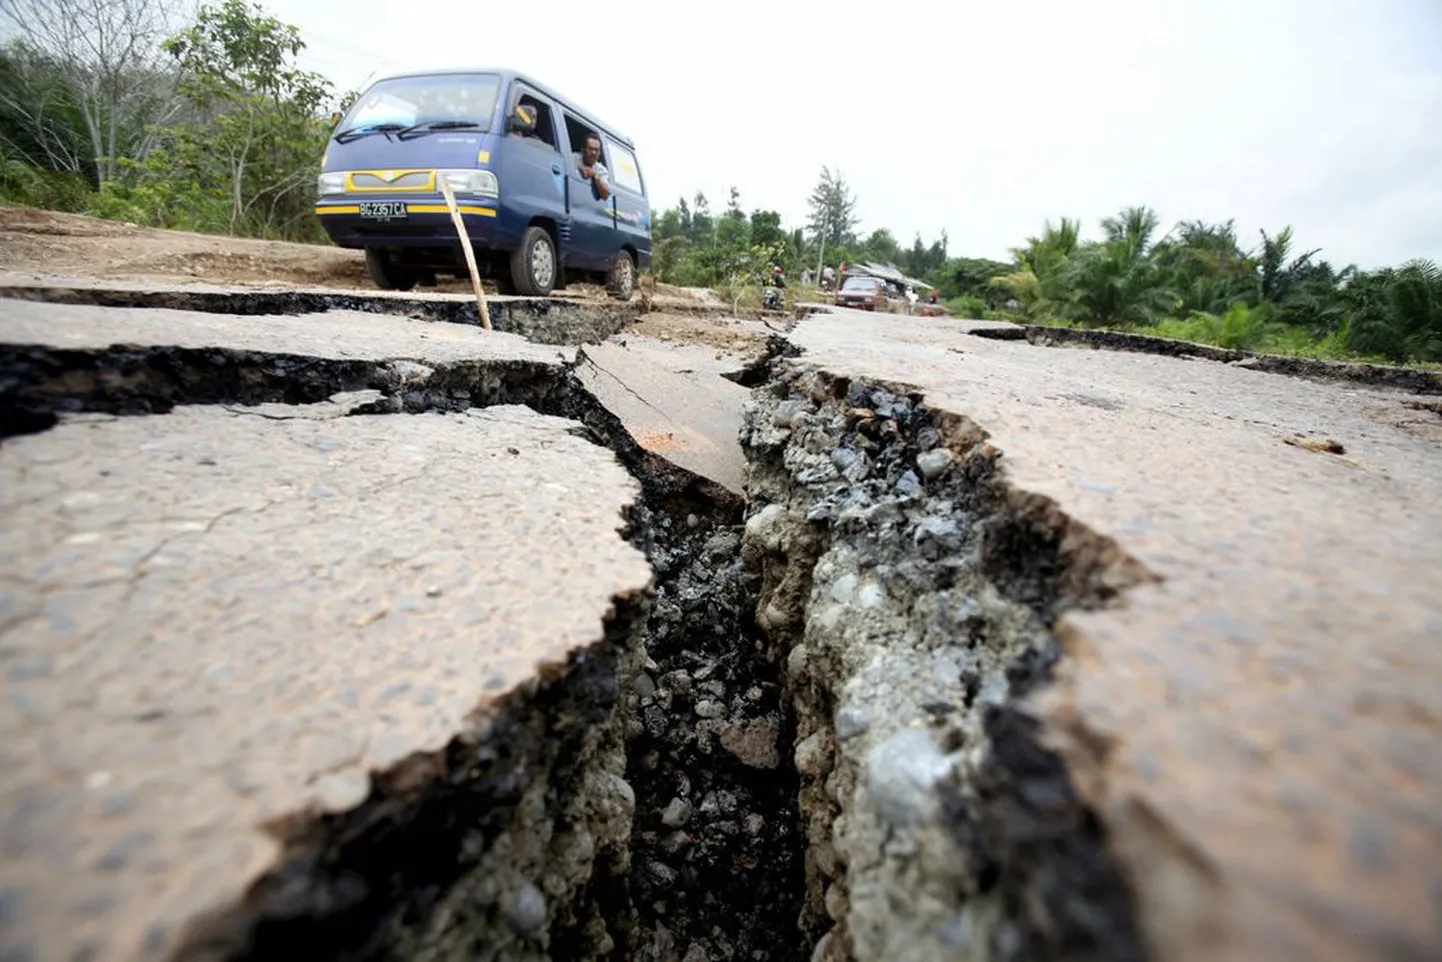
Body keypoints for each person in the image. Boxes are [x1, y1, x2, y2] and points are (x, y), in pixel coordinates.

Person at [574, 134, 610, 200]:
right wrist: (579, 168)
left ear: (599, 153)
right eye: (590, 149)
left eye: (596, 150)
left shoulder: (601, 170)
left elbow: (605, 195)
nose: (593, 153)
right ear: (583, 150)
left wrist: (595, 175)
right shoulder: (572, 158)